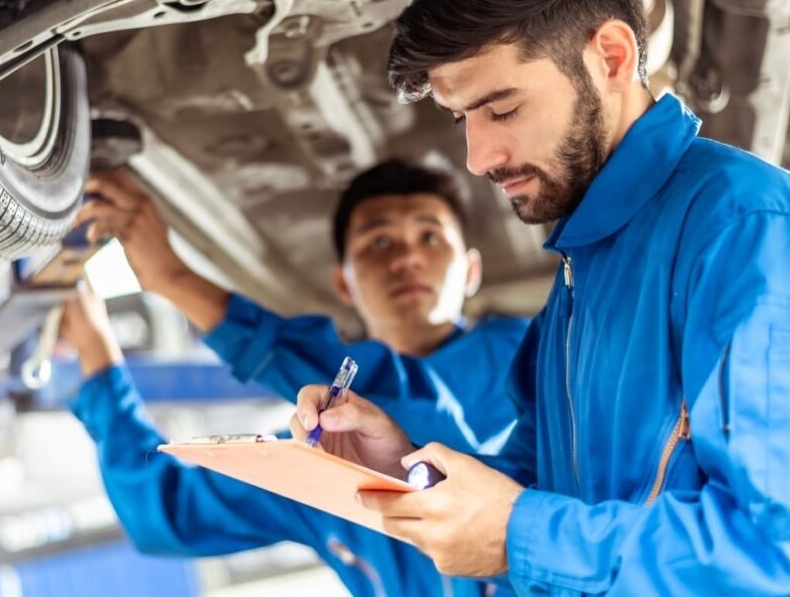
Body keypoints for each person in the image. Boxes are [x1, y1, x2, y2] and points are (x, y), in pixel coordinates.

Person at [292, 0, 790, 593]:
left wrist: (518, 536)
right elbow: (544, 486)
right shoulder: (582, 266)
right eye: (462, 117)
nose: (478, 156)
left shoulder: (744, 227)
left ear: (610, 56)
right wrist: (401, 466)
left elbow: (771, 552)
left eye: (502, 109)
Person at [62, 158, 529, 595]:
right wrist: (97, 354)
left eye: (429, 237)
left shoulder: (530, 358)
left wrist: (174, 279)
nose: (406, 258)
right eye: (380, 242)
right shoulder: (321, 457)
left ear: (470, 270)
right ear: (343, 282)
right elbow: (167, 516)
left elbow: (403, 409)